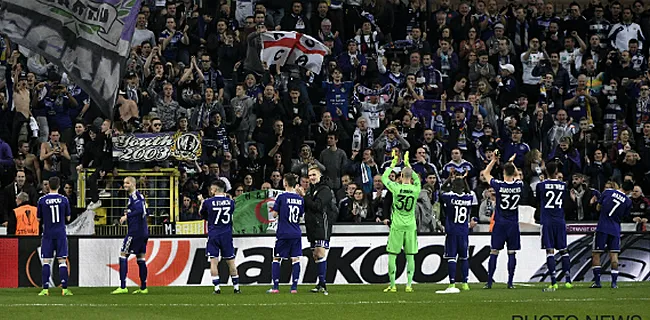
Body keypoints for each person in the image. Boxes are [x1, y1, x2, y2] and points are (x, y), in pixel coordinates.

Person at [380, 150, 420, 293]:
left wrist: (392, 164)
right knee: (410, 256)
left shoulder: (396, 188)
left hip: (396, 225)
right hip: (410, 225)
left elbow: (384, 178)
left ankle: (393, 285)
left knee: (392, 255)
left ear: (401, 176)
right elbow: (417, 179)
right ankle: (409, 285)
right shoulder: (416, 189)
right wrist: (408, 165)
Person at [482, 151, 522, 289]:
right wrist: (512, 163)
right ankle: (510, 282)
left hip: (500, 223)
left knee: (494, 251)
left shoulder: (499, 185)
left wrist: (494, 160)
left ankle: (489, 282)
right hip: (512, 224)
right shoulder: (518, 185)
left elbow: (486, 173)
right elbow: (517, 175)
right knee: (512, 253)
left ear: (504, 172)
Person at [296, 166, 334, 295]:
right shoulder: (313, 190)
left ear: (320, 175)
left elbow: (318, 206)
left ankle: (323, 284)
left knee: (320, 253)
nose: (311, 177)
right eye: (310, 175)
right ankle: (320, 283)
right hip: (311, 225)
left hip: (321, 225)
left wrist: (304, 196)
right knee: (315, 255)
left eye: (314, 175)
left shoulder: (325, 190)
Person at [537, 161, 573, 292]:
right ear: (556, 172)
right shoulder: (563, 185)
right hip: (559, 220)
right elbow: (566, 202)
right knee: (564, 250)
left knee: (550, 251)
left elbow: (538, 200)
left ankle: (553, 282)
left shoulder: (541, 185)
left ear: (546, 171)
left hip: (547, 220)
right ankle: (568, 280)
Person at [199, 180, 241, 294]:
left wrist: (202, 202)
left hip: (214, 235)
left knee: (213, 262)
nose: (211, 191)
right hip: (226, 235)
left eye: (212, 189)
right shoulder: (230, 202)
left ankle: (217, 288)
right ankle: (236, 287)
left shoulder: (208, 202)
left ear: (216, 189)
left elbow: (202, 214)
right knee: (231, 261)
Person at [591, 181, 633, 289]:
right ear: (629, 191)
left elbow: (598, 208)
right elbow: (625, 216)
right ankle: (614, 283)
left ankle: (597, 282)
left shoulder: (607, 192)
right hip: (615, 229)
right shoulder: (628, 201)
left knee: (596, 253)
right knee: (614, 256)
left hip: (602, 227)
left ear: (621, 185)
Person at [267, 173, 305, 294]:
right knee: (295, 259)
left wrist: (274, 210)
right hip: (296, 232)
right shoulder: (300, 199)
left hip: (283, 232)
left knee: (277, 258)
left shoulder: (281, 197)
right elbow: (300, 216)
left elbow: (274, 214)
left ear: (285, 183)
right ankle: (294, 288)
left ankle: (275, 287)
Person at [111, 177, 149, 295]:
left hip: (135, 232)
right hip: (143, 232)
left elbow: (141, 210)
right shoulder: (136, 197)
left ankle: (123, 286)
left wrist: (127, 216)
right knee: (140, 257)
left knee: (123, 254)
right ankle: (143, 287)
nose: (125, 185)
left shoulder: (136, 196)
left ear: (133, 184)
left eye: (127, 183)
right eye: (124, 183)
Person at [36, 176, 72, 296]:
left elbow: (38, 218)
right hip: (60, 233)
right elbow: (68, 218)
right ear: (59, 186)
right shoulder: (64, 199)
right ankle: (65, 289)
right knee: (62, 261)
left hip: (48, 233)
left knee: (46, 261)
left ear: (48, 186)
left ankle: (45, 289)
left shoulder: (42, 200)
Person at [437, 175, 472, 294]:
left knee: (452, 258)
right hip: (464, 232)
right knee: (464, 257)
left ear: (453, 187)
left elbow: (440, 191)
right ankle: (465, 283)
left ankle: (452, 282)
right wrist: (464, 180)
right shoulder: (469, 197)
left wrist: (448, 179)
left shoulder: (450, 197)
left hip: (452, 231)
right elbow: (468, 190)